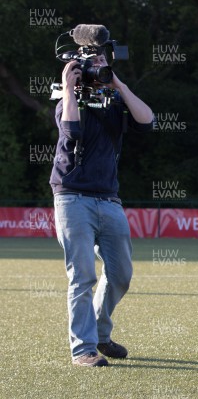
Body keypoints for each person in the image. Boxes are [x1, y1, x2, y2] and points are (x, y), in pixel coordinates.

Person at [50, 49, 154, 367]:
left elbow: (148, 121)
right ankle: (83, 349)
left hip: (109, 199)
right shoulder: (66, 103)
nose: (98, 70)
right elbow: (71, 132)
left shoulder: (114, 105)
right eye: (91, 65)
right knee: (82, 277)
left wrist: (118, 84)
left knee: (121, 273)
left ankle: (99, 333)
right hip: (72, 197)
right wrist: (69, 89)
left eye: (102, 64)